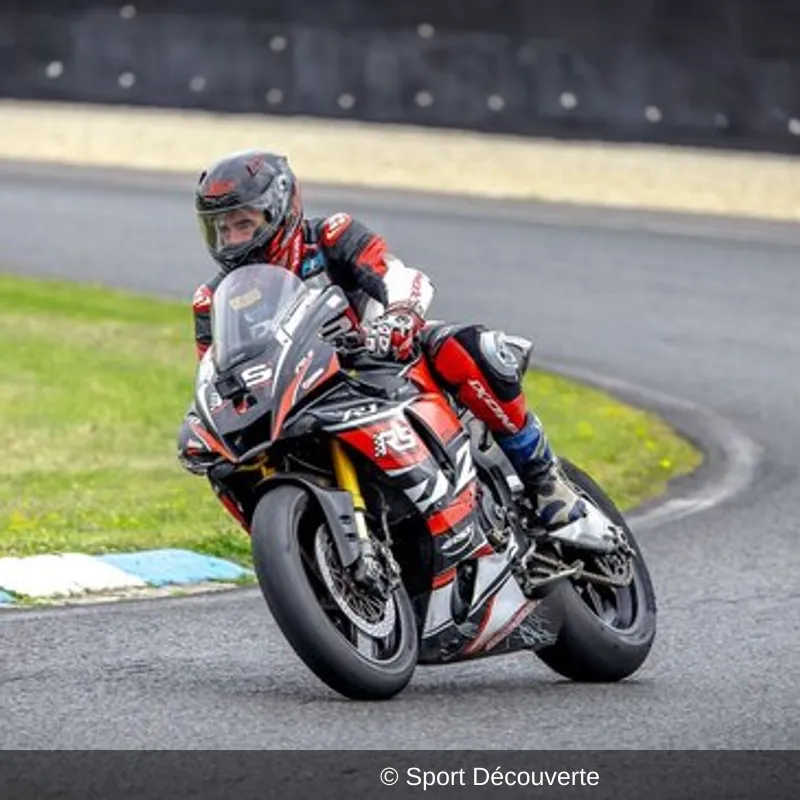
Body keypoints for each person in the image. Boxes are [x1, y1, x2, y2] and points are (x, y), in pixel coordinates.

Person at [177, 149, 620, 552]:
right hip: (302, 397)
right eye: (222, 229)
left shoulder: (331, 236)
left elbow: (396, 274)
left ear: (278, 211)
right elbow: (215, 369)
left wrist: (401, 315)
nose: (232, 239)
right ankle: (297, 550)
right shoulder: (213, 299)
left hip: (382, 363)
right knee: (224, 461)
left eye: (244, 224)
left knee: (465, 347)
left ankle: (546, 482)